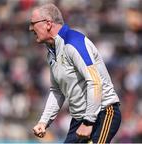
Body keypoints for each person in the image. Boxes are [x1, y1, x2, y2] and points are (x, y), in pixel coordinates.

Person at [29, 3, 121, 143]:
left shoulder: (73, 42)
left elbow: (94, 82)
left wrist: (88, 122)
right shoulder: (52, 53)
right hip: (79, 120)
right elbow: (57, 90)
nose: (30, 28)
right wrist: (44, 121)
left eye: (33, 23)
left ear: (48, 23)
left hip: (103, 113)